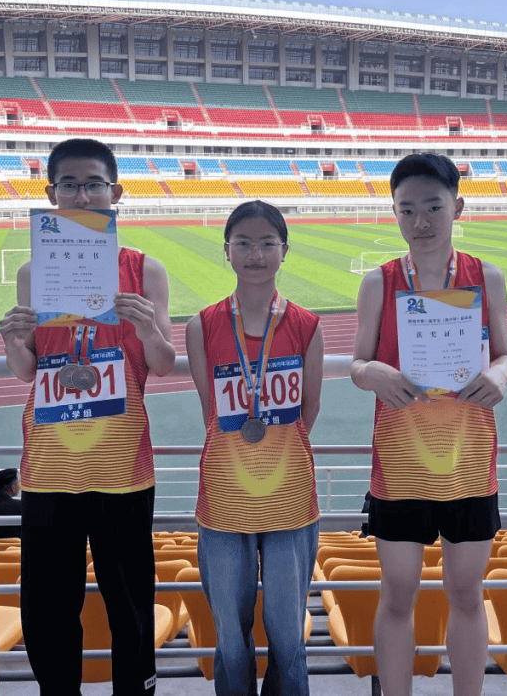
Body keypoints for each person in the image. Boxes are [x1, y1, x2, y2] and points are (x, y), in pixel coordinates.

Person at [0, 137, 176, 696]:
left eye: (93, 183)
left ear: (115, 192)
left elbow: (165, 363)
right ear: (50, 195)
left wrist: (148, 328)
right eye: (69, 184)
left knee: (130, 599)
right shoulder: (32, 271)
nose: (82, 194)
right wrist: (13, 341)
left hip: (122, 464)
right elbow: (27, 372)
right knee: (49, 604)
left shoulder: (146, 271)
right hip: (50, 462)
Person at [350, 152, 507, 696]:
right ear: (394, 214)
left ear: (457, 207)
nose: (420, 222)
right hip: (399, 468)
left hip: (468, 464)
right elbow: (357, 364)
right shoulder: (379, 283)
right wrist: (371, 372)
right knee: (398, 596)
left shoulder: (485, 277)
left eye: (433, 207)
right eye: (407, 210)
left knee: (467, 595)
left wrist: (501, 375)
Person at [185, 200, 324, 696]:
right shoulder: (202, 325)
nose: (256, 253)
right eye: (243, 242)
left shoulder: (306, 325)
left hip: (289, 500)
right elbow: (211, 414)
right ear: (226, 250)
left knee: (289, 639)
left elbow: (307, 413)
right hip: (224, 501)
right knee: (231, 639)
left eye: (268, 242)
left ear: (284, 250)